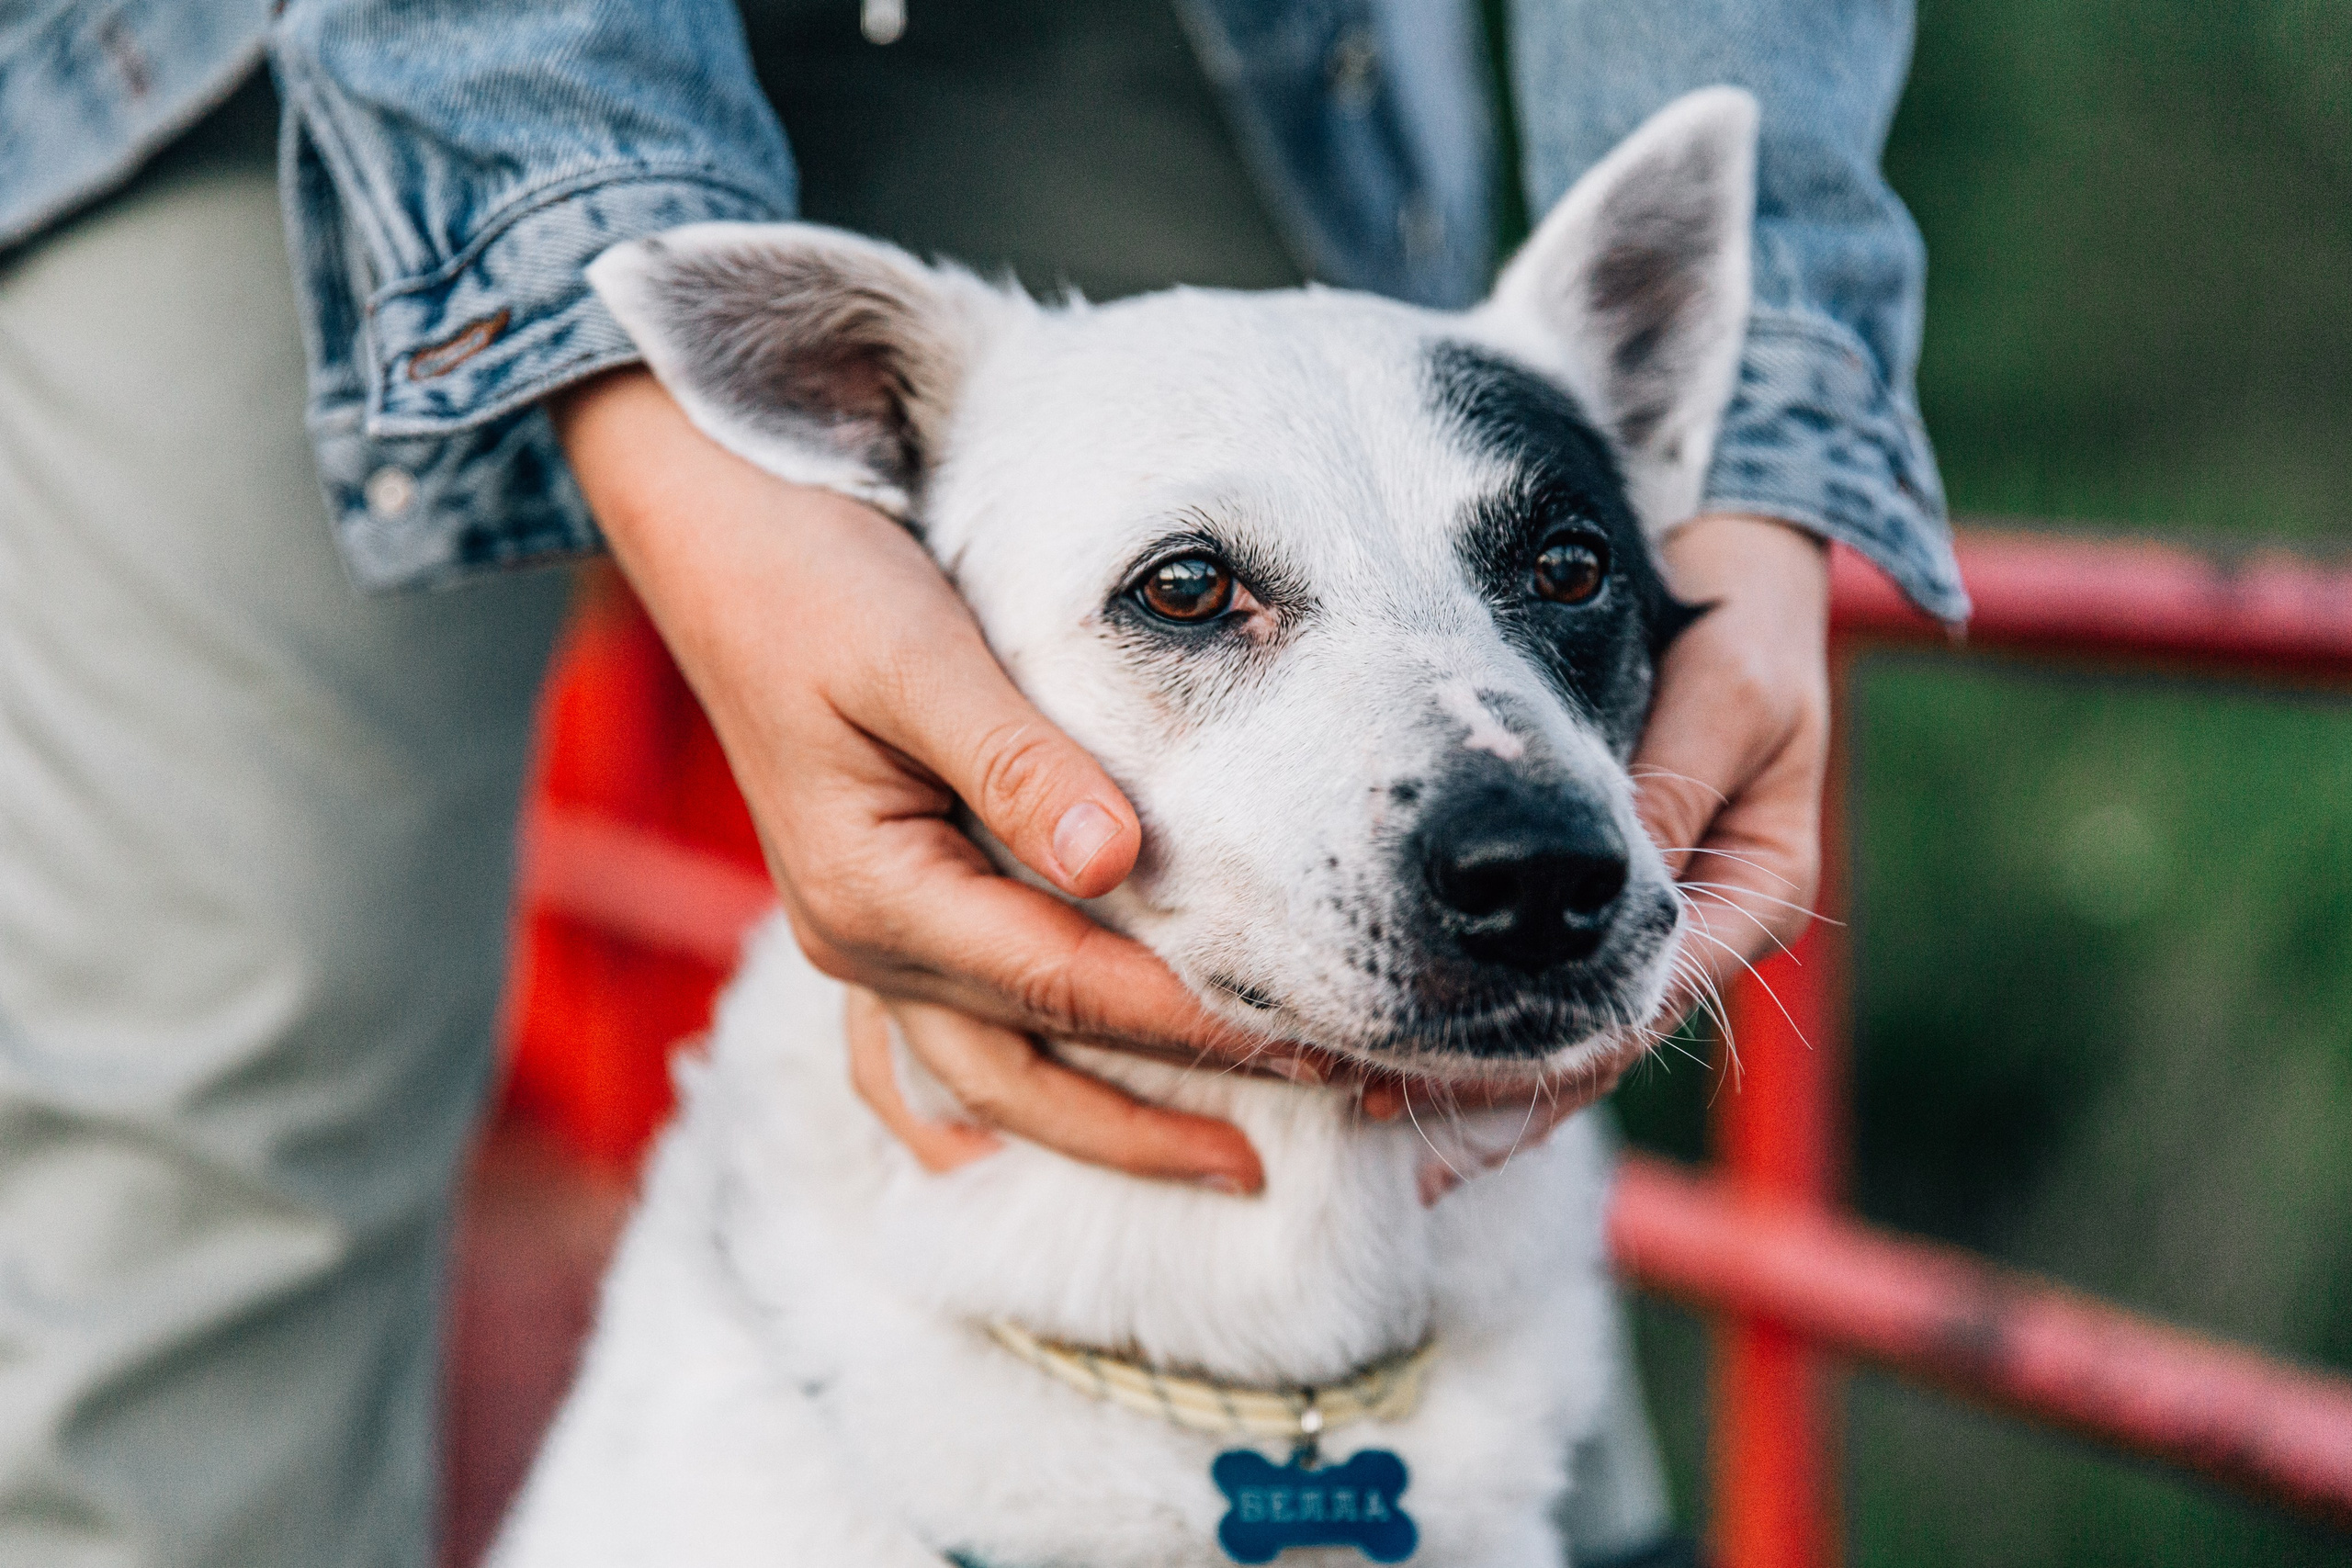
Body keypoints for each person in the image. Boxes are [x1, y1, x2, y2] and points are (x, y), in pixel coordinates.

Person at [0, 2, 1966, 1565]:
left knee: (1501, 1145)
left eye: (1550, 574)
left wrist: (1768, 442)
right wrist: (622, 376)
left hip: (1179, 27)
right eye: (1193, 594)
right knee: (216, 1106)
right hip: (291, 45)